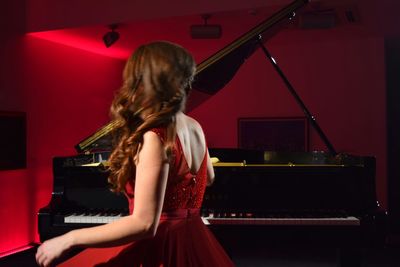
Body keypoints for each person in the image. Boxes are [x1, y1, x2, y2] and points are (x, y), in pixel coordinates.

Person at [35, 41, 235, 267]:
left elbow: (144, 223)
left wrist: (69, 238)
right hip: (193, 239)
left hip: (160, 247)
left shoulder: (155, 136)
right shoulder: (195, 126)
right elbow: (208, 178)